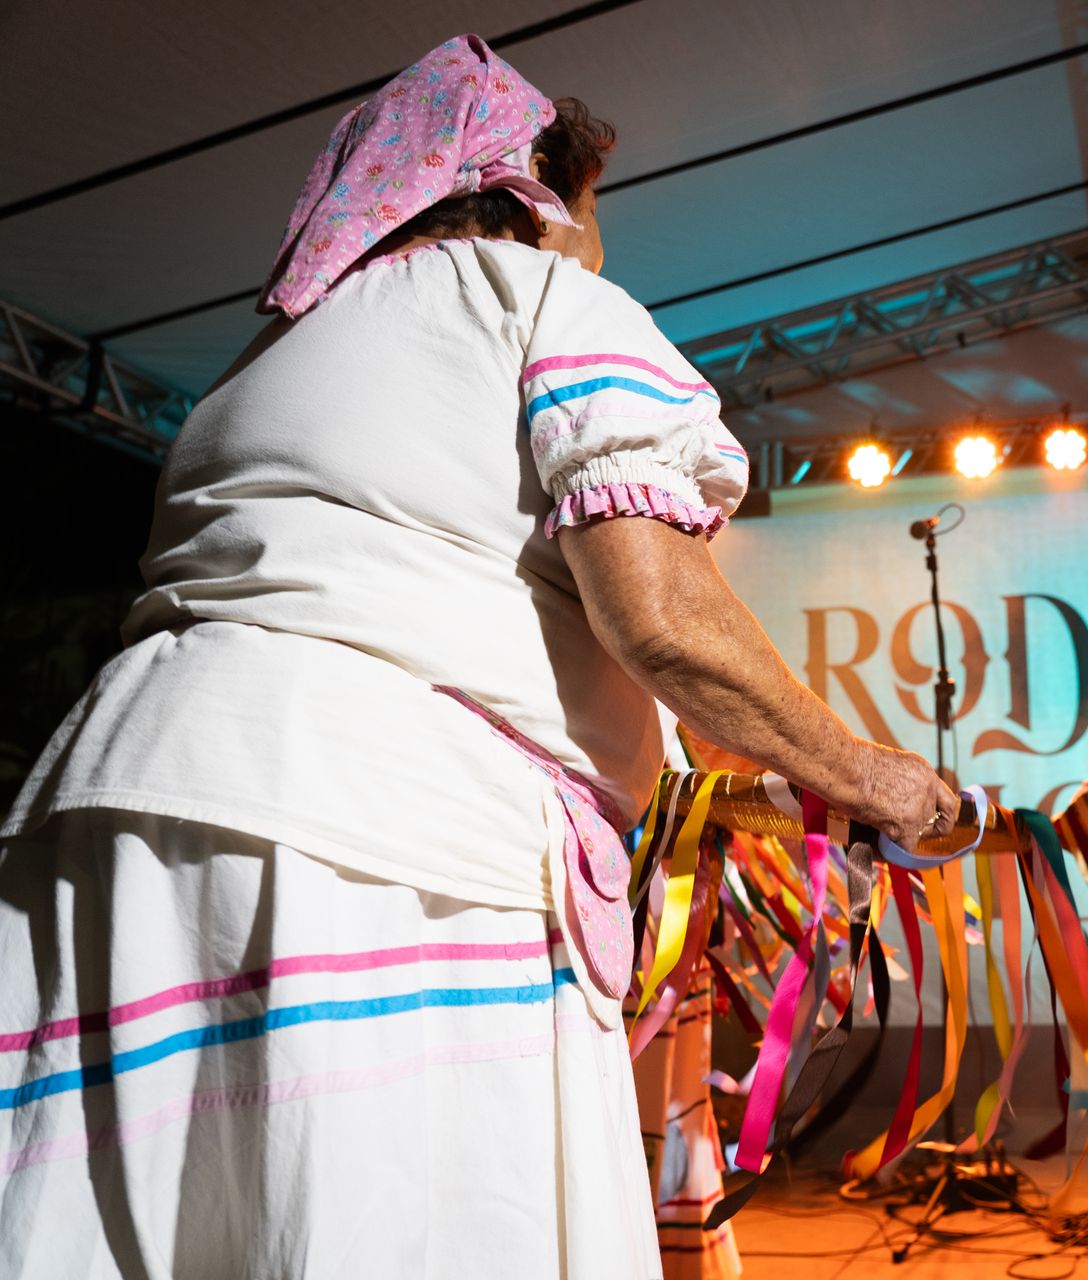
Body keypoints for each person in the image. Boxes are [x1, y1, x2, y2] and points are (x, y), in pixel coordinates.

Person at [0, 35, 956, 1279]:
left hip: (103, 825)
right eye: (593, 207)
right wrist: (870, 773)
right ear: (535, 196)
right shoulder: (544, 299)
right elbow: (659, 615)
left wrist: (754, 781)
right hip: (370, 848)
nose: (598, 242)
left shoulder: (261, 368)